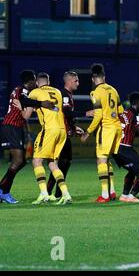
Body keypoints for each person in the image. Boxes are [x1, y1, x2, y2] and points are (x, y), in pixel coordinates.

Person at [0, 70, 54, 204]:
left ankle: (3, 191)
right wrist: (42, 104)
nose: (36, 83)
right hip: (11, 126)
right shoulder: (23, 90)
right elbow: (25, 101)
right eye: (34, 80)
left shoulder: (19, 90)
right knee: (18, 160)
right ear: (30, 81)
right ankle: (1, 189)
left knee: (22, 161)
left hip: (15, 127)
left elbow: (24, 110)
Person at [25, 73, 72, 205]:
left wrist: (20, 108)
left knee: (36, 161)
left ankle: (44, 194)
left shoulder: (35, 92)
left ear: (37, 82)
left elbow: (26, 115)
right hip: (61, 130)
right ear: (49, 81)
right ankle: (66, 194)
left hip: (49, 129)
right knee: (52, 163)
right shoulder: (57, 91)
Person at [46, 71, 93, 199]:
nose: (78, 83)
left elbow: (64, 115)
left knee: (62, 163)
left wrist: (73, 127)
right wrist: (86, 113)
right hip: (61, 134)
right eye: (76, 80)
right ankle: (53, 193)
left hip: (64, 132)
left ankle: (51, 192)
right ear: (68, 81)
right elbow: (66, 112)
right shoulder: (64, 95)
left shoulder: (68, 95)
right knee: (63, 163)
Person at [80, 63, 124, 203]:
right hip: (117, 127)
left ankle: (104, 195)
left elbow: (98, 116)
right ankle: (111, 192)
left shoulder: (95, 92)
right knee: (107, 160)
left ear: (93, 79)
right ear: (104, 77)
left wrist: (88, 132)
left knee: (101, 160)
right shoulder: (113, 90)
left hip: (106, 129)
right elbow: (121, 111)